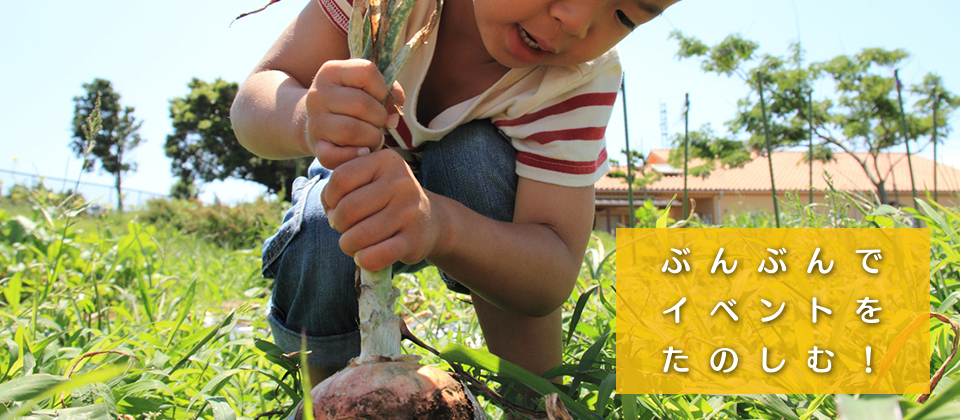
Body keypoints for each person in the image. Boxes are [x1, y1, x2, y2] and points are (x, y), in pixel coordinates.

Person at [231, 0, 679, 390]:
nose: (577, 21)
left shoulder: (575, 78)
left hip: (477, 223)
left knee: (473, 158)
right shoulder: (381, 4)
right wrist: (306, 120)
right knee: (325, 229)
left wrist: (441, 226)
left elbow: (552, 266)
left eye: (624, 14)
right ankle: (331, 391)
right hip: (355, 178)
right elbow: (257, 94)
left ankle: (536, 399)